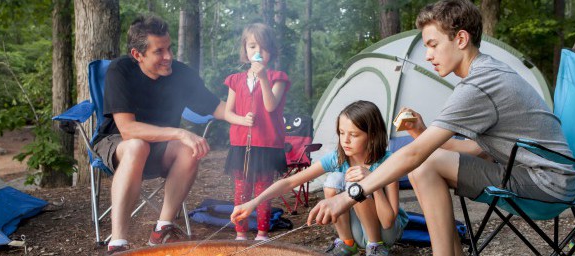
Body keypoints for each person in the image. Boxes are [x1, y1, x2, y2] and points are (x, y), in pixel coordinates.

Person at [306, 1, 575, 255]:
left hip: (545, 185)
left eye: (433, 45)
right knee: (427, 161)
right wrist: (422, 132)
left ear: (460, 39)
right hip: (550, 179)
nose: (427, 56)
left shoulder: (479, 85)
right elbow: (474, 149)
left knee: (424, 164)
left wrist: (351, 195)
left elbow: (415, 155)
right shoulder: (489, 72)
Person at [91, 16, 226, 254]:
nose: (168, 57)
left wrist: (252, 115)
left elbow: (218, 107)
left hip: (162, 149)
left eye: (169, 48)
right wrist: (179, 132)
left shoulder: (181, 74)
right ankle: (118, 243)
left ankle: (162, 229)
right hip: (119, 145)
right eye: (159, 51)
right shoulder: (120, 70)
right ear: (137, 55)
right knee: (137, 146)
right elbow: (128, 129)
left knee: (188, 148)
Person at [231, 101, 408, 256]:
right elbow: (291, 182)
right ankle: (347, 244)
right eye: (341, 132)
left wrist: (372, 182)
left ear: (372, 135)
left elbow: (387, 221)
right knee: (334, 180)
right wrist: (253, 202)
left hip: (385, 234)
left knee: (356, 183)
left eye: (353, 135)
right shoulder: (338, 158)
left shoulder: (387, 162)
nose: (345, 140)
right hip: (358, 230)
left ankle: (375, 247)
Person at [222, 23, 291, 241]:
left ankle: (262, 233)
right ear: (245, 49)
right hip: (241, 143)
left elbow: (271, 106)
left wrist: (262, 78)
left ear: (271, 51)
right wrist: (242, 120)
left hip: (267, 143)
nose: (258, 53)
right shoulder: (235, 80)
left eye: (263, 48)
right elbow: (227, 113)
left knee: (263, 190)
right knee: (242, 189)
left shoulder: (277, 77)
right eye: (252, 46)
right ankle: (240, 233)